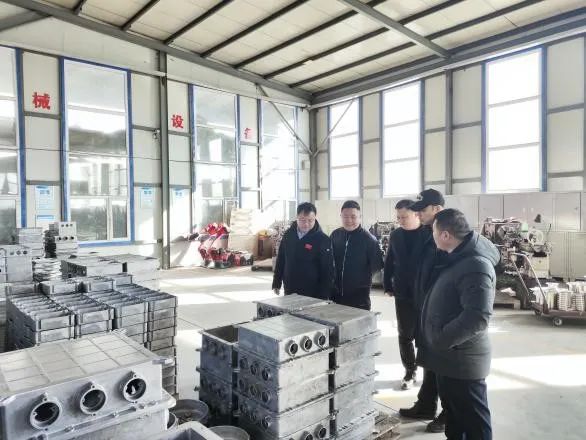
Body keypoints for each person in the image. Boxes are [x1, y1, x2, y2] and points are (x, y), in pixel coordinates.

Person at [421, 209, 498, 440]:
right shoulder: (458, 256)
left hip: (463, 360)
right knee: (455, 419)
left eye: (434, 232)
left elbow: (478, 316)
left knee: (474, 424)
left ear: (445, 235)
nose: (432, 237)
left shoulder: (475, 265)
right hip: (450, 359)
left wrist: (442, 339)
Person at [399, 188, 447, 433]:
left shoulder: (448, 234)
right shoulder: (429, 233)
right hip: (425, 307)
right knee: (429, 358)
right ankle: (427, 404)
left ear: (437, 209)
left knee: (445, 364)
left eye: (422, 210)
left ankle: (449, 413)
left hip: (442, 312)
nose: (418, 215)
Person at [384, 199, 430, 390]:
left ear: (416, 214)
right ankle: (410, 371)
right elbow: (389, 260)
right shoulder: (396, 235)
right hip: (402, 292)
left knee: (425, 335)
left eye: (404, 216)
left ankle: (429, 373)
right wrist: (387, 284)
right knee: (405, 334)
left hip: (425, 293)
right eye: (398, 217)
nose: (400, 220)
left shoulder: (428, 234)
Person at [272, 202, 334, 299]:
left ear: (315, 218)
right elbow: (281, 259)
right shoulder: (289, 235)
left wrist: (325, 294)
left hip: (312, 292)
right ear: (297, 218)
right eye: (302, 220)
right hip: (290, 288)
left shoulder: (323, 240)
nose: (306, 224)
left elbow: (327, 270)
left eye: (310, 220)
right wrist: (277, 282)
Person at [330, 200, 384, 311]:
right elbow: (329, 260)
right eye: (345, 216)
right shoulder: (335, 235)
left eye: (353, 217)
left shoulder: (369, 240)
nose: (349, 220)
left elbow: (376, 267)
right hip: (335, 295)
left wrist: (359, 281)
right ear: (341, 216)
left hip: (359, 298)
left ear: (360, 217)